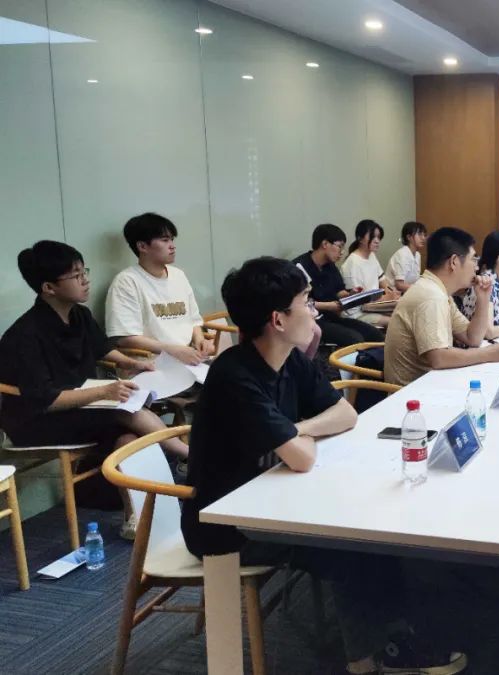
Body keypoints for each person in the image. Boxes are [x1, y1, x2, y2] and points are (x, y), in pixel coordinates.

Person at [180, 257, 465, 674]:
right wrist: (297, 440)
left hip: (274, 493)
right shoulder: (234, 376)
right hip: (227, 523)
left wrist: (295, 429)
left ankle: (395, 633)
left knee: (373, 527)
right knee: (350, 544)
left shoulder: (288, 358)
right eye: (306, 302)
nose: (314, 312)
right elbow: (302, 457)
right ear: (278, 319)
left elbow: (345, 415)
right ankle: (366, 659)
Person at [0, 242, 189, 461]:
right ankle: (188, 455)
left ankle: (152, 479)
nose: (85, 280)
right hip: (37, 421)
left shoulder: (80, 314)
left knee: (128, 438)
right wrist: (104, 392)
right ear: (49, 288)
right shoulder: (25, 336)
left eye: (84, 272)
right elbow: (47, 400)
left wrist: (132, 363)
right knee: (125, 411)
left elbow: (101, 348)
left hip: (82, 406)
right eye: (76, 276)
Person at [383, 227, 499, 387]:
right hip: (413, 394)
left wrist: (483, 299)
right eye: (474, 259)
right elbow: (439, 358)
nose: (477, 267)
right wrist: (486, 354)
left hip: (431, 384)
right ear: (454, 262)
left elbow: (473, 338)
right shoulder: (431, 296)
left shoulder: (439, 291)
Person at [105, 213, 213, 365]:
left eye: (172, 239)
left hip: (190, 359)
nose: (172, 245)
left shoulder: (178, 275)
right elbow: (125, 338)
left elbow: (193, 321)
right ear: (142, 246)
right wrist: (174, 351)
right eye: (165, 240)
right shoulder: (126, 282)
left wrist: (200, 341)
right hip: (152, 364)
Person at [293, 223, 382, 346]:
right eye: (339, 246)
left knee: (375, 334)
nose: (342, 252)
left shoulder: (330, 266)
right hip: (313, 320)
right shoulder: (300, 267)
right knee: (355, 339)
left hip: (332, 317)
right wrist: (329, 306)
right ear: (325, 244)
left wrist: (351, 294)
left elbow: (339, 291)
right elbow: (299, 303)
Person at [341, 219, 400, 329]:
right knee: (396, 322)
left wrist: (391, 292)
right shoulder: (352, 263)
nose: (377, 241)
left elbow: (383, 281)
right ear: (360, 238)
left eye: (378, 237)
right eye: (373, 237)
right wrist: (386, 298)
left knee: (404, 314)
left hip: (372, 307)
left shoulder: (371, 256)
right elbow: (361, 302)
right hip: (357, 314)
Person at [386, 221, 427, 293]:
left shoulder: (418, 255)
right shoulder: (402, 254)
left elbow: (415, 280)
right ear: (409, 237)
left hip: (408, 292)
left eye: (424, 235)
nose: (423, 238)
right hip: (394, 294)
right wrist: (420, 289)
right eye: (419, 234)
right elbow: (399, 285)